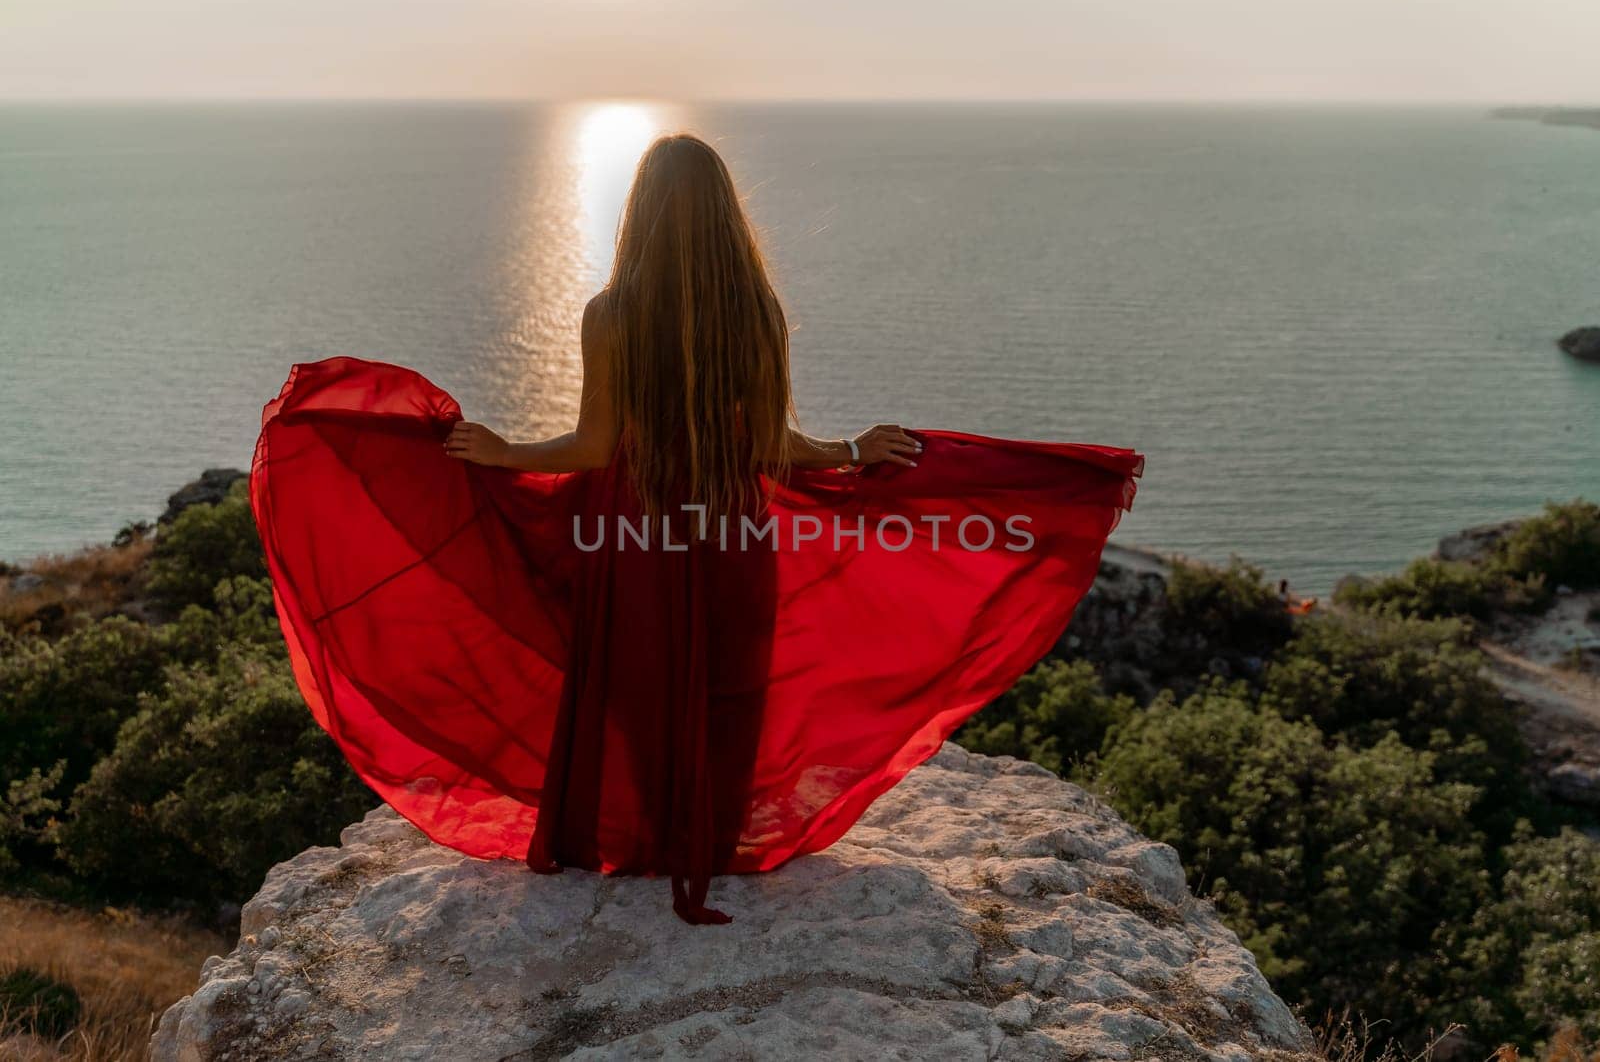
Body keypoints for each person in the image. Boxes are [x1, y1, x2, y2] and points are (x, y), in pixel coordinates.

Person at [250, 134, 1143, 924]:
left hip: (630, 539)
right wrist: (853, 448)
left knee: (631, 698)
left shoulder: (612, 313)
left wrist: (501, 450)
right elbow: (773, 446)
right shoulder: (756, 311)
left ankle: (641, 841)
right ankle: (711, 844)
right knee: (730, 697)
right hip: (734, 540)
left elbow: (595, 445)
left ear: (641, 212)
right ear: (724, 214)